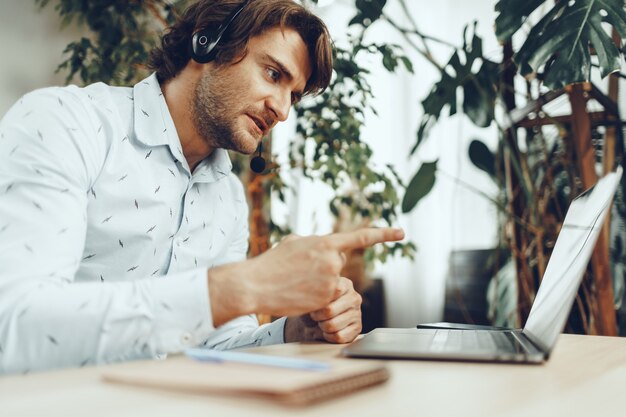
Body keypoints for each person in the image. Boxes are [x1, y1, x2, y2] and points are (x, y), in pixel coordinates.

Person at [0, 0, 404, 374]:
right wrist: (243, 285)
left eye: (293, 96)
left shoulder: (228, 197)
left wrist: (294, 332)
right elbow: (14, 323)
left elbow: (218, 347)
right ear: (207, 43)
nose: (282, 109)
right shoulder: (67, 123)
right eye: (273, 73)